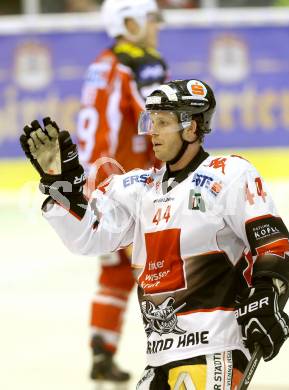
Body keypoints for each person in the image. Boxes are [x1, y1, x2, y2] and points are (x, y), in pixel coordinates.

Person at [20, 79, 289, 389]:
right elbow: (87, 237)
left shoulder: (229, 174)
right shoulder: (135, 188)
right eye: (151, 120)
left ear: (191, 128)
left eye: (162, 122)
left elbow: (274, 244)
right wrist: (64, 187)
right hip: (159, 358)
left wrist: (265, 296)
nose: (152, 130)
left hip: (213, 350)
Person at [75, 0, 168, 383]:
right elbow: (153, 121)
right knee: (164, 269)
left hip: (96, 182)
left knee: (115, 273)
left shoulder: (101, 62)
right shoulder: (140, 65)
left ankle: (102, 351)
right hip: (126, 186)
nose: (155, 27)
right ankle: (176, 356)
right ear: (128, 22)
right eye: (149, 20)